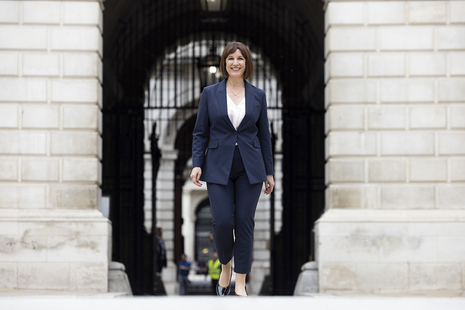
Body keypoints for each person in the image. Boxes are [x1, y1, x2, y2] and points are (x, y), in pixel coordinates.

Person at [190, 41, 275, 297]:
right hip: (217, 167)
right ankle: (225, 265)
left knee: (244, 222)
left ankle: (240, 281)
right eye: (230, 58)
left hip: (250, 168)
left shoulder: (258, 95)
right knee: (223, 221)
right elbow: (200, 132)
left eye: (240, 58)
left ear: (246, 63)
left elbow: (264, 137)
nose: (235, 62)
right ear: (224, 63)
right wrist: (197, 164)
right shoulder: (209, 93)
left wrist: (268, 172)